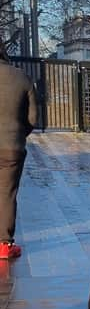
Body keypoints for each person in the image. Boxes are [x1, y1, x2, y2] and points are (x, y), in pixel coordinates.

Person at [0, 41, 38, 260]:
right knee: (7, 193)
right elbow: (33, 118)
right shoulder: (21, 77)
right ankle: (4, 245)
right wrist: (18, 134)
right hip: (12, 146)